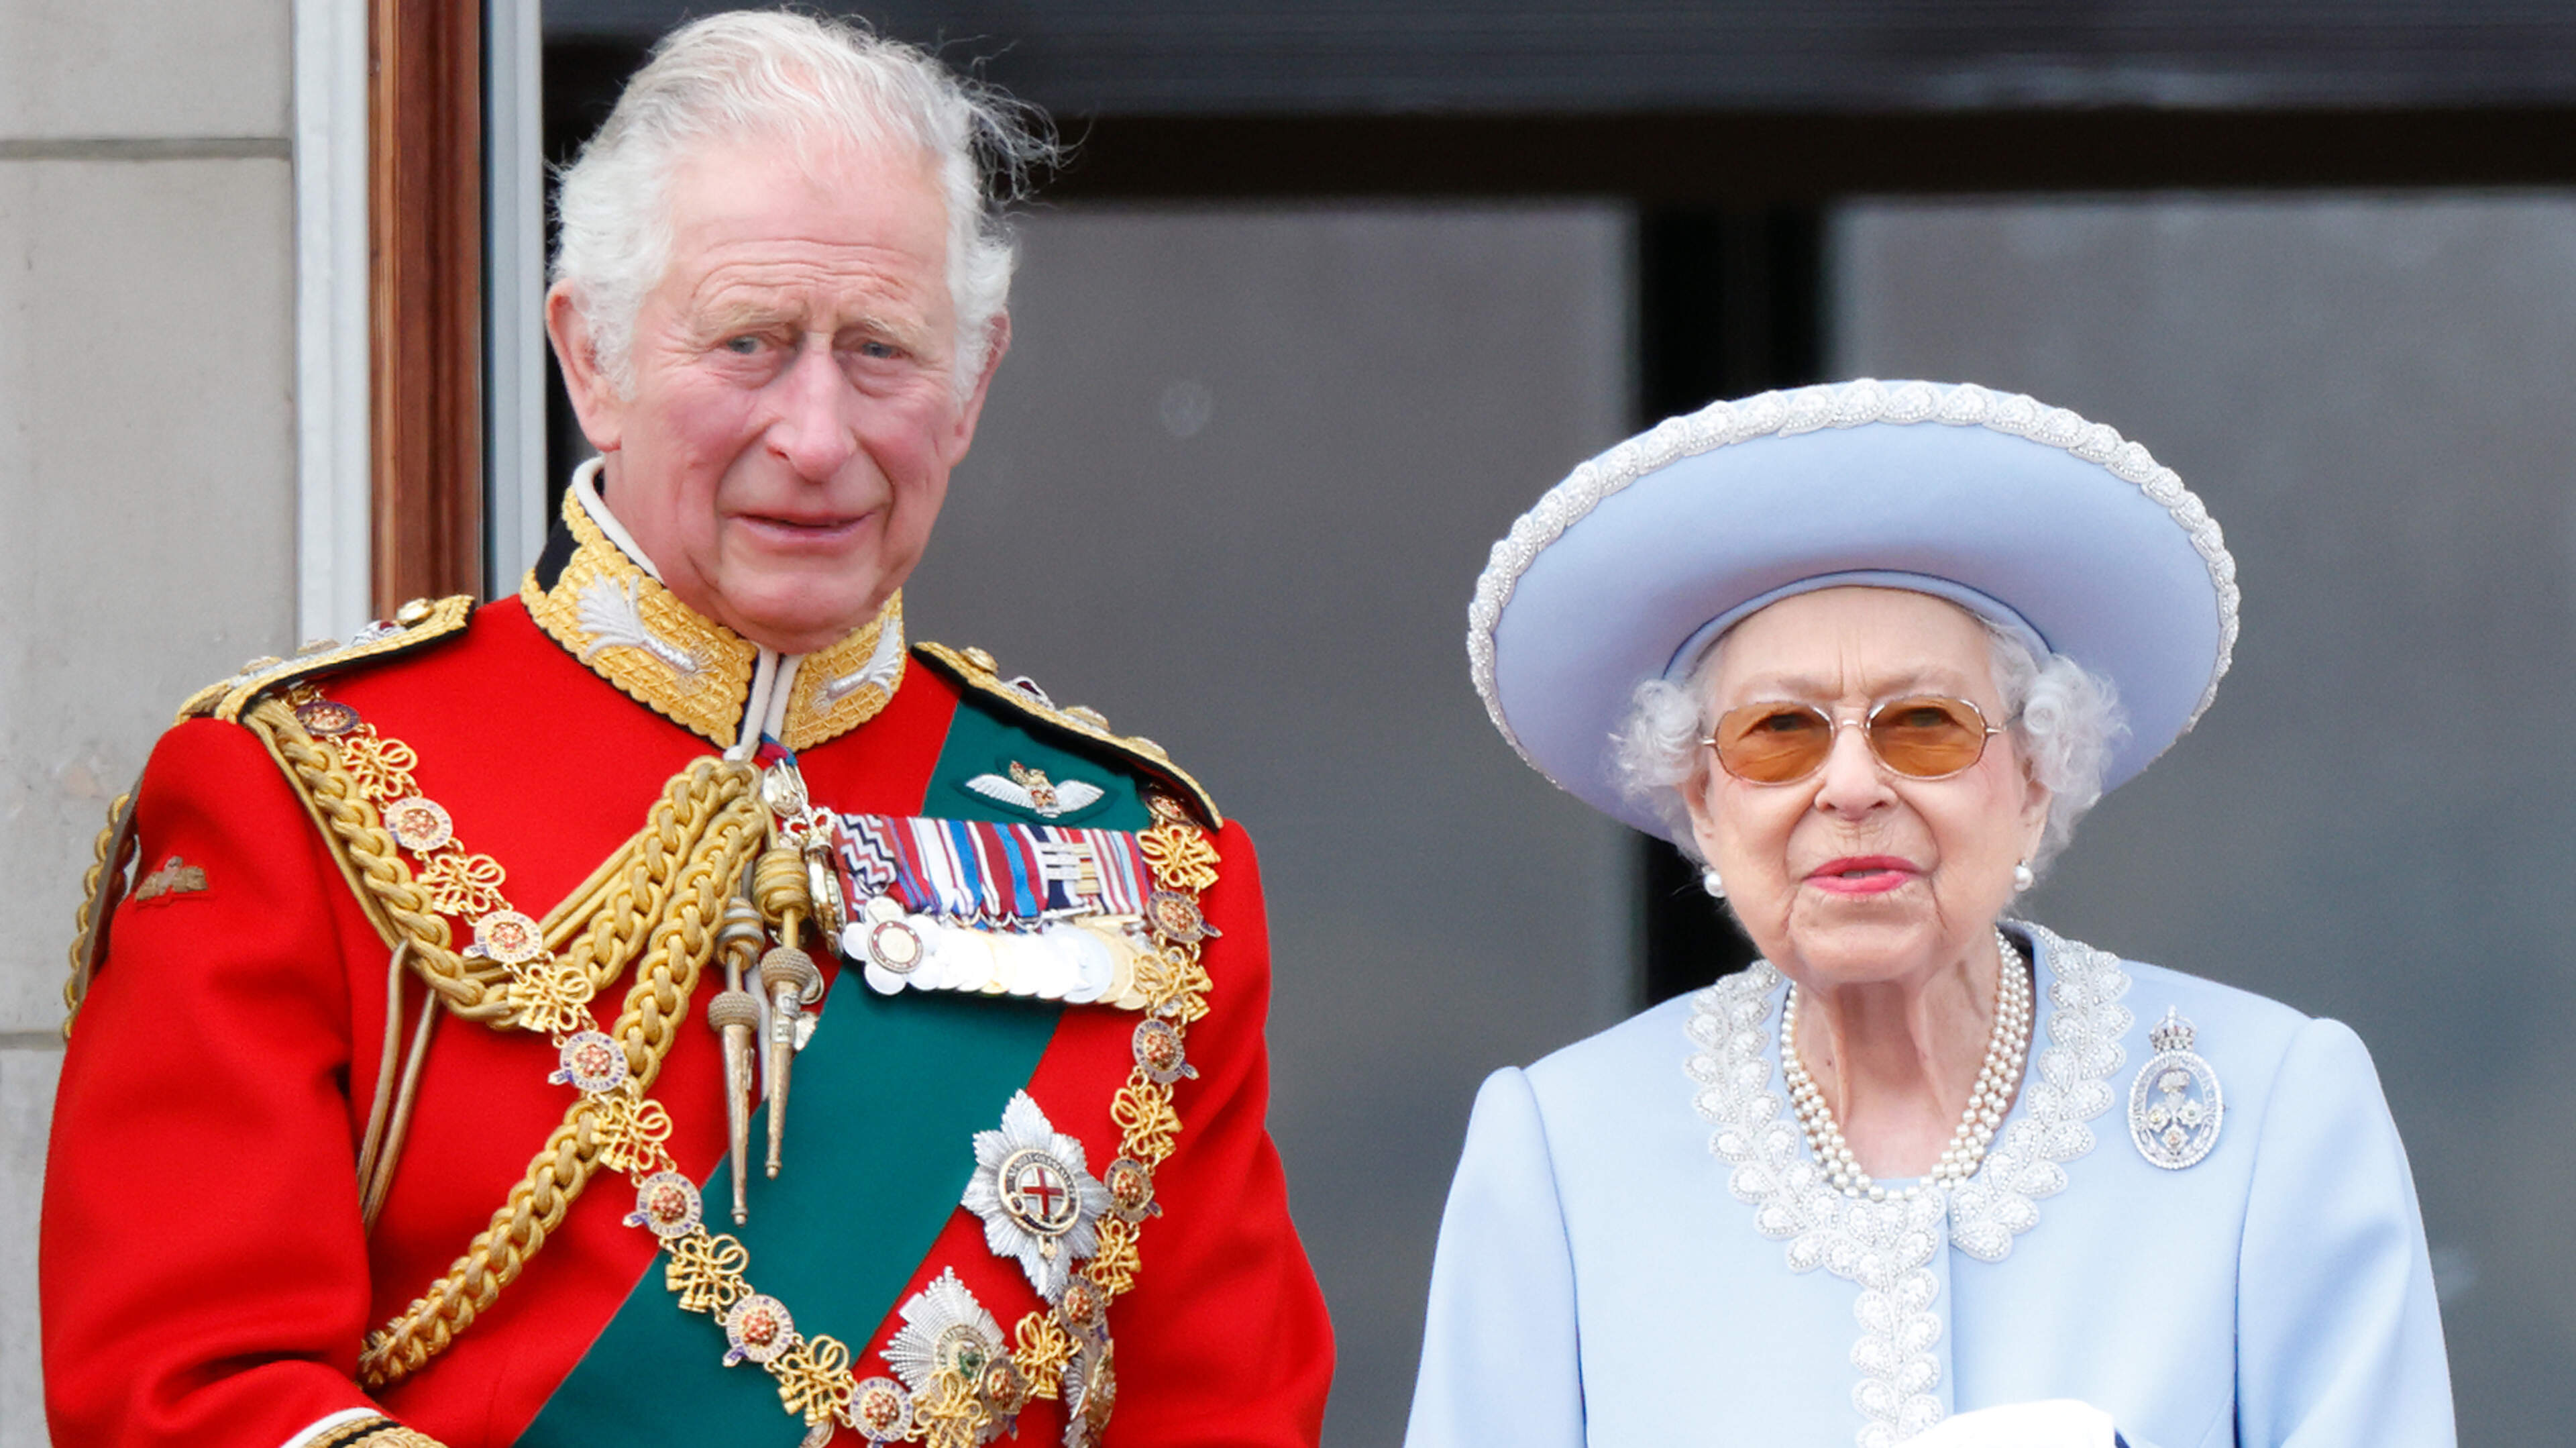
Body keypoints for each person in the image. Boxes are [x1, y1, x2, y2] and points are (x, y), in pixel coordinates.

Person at [42, 13, 1331, 1448]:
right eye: (751, 342)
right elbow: (185, 1396)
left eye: (883, 351)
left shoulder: (1147, 870)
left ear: (970, 385)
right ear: (591, 354)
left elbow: (1226, 1410)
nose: (817, 434)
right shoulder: (301, 790)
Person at [1409, 379, 2453, 1447]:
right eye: (1779, 732)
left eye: (1924, 724)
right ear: (1704, 806)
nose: (1852, 786)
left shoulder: (2272, 1108)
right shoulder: (1563, 1149)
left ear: (2035, 778)